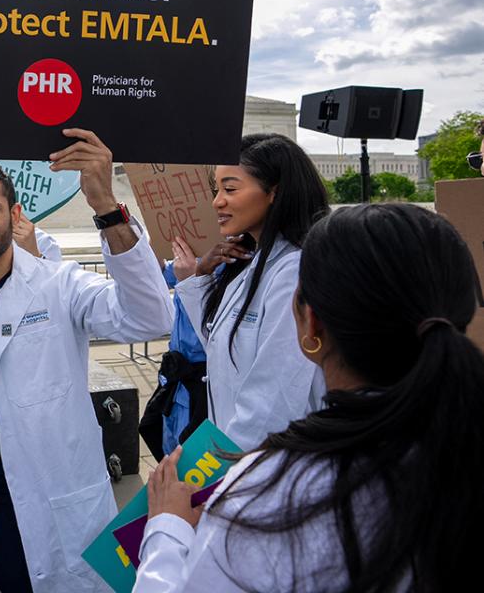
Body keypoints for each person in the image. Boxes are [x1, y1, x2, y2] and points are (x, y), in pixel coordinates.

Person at [136, 203, 484, 591]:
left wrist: (167, 529)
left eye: (232, 188)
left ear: (309, 323)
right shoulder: (453, 452)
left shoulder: (266, 500)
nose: (219, 201)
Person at [0, 130, 175, 592]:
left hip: (48, 509)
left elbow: (150, 316)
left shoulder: (60, 285)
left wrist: (106, 207)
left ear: (14, 215)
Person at [172, 134, 329, 450]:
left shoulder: (294, 271)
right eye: (216, 190)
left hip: (262, 465)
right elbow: (222, 348)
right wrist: (196, 278)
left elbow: (273, 398)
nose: (217, 201)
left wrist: (220, 469)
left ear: (275, 192)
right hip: (239, 456)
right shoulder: (248, 262)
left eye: (230, 189)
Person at [139, 243, 208, 461]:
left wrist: (191, 281)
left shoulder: (234, 260)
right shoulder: (196, 255)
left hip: (203, 381)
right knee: (169, 447)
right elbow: (160, 275)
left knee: (192, 458)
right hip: (176, 378)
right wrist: (152, 249)